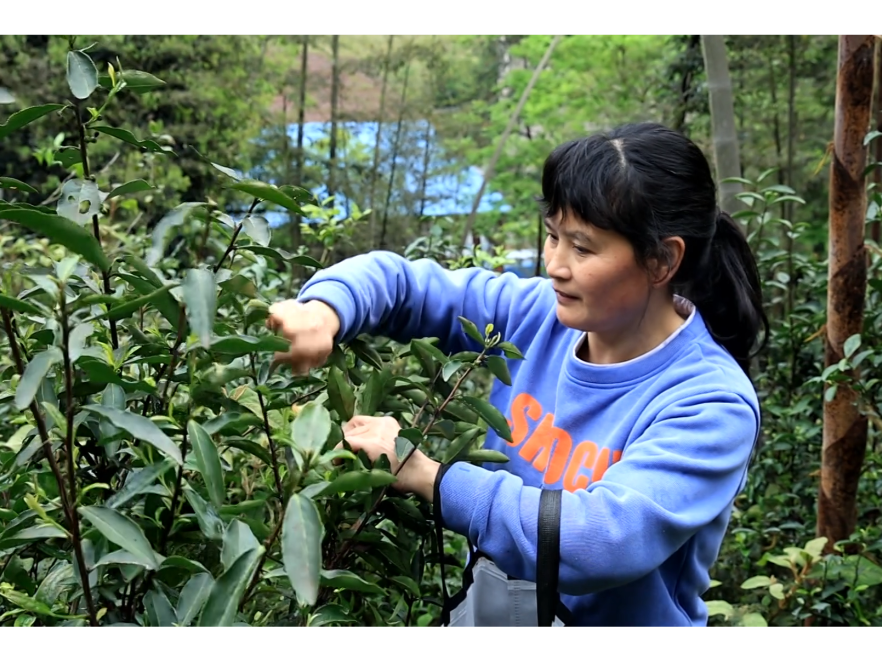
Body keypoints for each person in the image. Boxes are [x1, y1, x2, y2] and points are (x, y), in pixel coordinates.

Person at [266, 122, 768, 627]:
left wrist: (429, 478)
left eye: (583, 247)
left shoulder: (711, 402)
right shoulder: (537, 315)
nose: (555, 264)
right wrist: (324, 310)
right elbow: (404, 284)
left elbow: (598, 543)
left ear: (662, 260)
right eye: (552, 236)